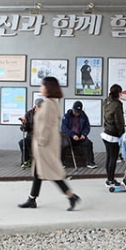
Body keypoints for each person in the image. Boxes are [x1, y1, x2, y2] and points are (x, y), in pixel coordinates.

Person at [18, 77, 81, 211]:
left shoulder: (49, 104)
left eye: (42, 85)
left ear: (48, 88)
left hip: (44, 145)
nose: (41, 88)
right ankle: (32, 198)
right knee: (38, 172)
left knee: (51, 173)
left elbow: (46, 126)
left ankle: (70, 196)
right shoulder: (52, 102)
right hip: (45, 144)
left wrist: (40, 143)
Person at [61, 100, 97, 169]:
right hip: (69, 137)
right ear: (72, 109)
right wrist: (72, 135)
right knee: (64, 145)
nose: (77, 114)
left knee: (89, 143)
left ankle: (90, 162)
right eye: (75, 112)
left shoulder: (83, 116)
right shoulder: (67, 116)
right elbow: (64, 128)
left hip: (80, 136)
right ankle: (61, 162)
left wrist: (84, 134)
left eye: (78, 112)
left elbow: (87, 126)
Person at [102, 84, 125, 187]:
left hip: (106, 132)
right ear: (119, 93)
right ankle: (111, 181)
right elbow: (119, 121)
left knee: (109, 157)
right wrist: (122, 134)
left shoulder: (106, 101)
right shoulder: (117, 104)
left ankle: (109, 179)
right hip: (113, 135)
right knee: (113, 159)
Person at [19, 98, 43, 168]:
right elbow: (24, 129)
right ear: (35, 107)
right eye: (40, 107)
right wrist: (24, 124)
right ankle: (26, 160)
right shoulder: (29, 114)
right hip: (31, 137)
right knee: (22, 142)